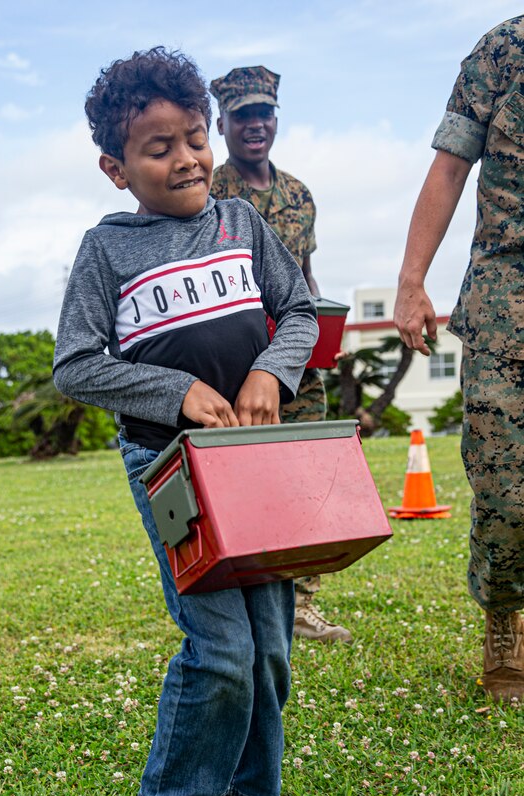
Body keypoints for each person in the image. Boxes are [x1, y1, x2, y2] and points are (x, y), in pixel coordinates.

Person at [53, 47, 319, 796]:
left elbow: (301, 311)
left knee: (272, 645)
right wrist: (177, 390)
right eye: (158, 146)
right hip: (171, 468)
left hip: (257, 463)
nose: (187, 158)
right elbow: (75, 364)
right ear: (115, 167)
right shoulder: (107, 251)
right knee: (220, 647)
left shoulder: (245, 225)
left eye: (194, 137)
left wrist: (271, 370)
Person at [394, 17, 524, 702]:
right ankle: (505, 620)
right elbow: (448, 167)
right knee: (504, 489)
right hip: (507, 298)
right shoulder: (502, 51)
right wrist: (412, 281)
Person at [210, 65, 352, 645]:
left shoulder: (298, 193)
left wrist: (322, 331)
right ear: (222, 122)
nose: (255, 124)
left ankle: (302, 605)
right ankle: (245, 601)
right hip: (236, 363)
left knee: (306, 477)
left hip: (297, 360)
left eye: (263, 113)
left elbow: (306, 276)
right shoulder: (210, 189)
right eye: (242, 114)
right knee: (243, 482)